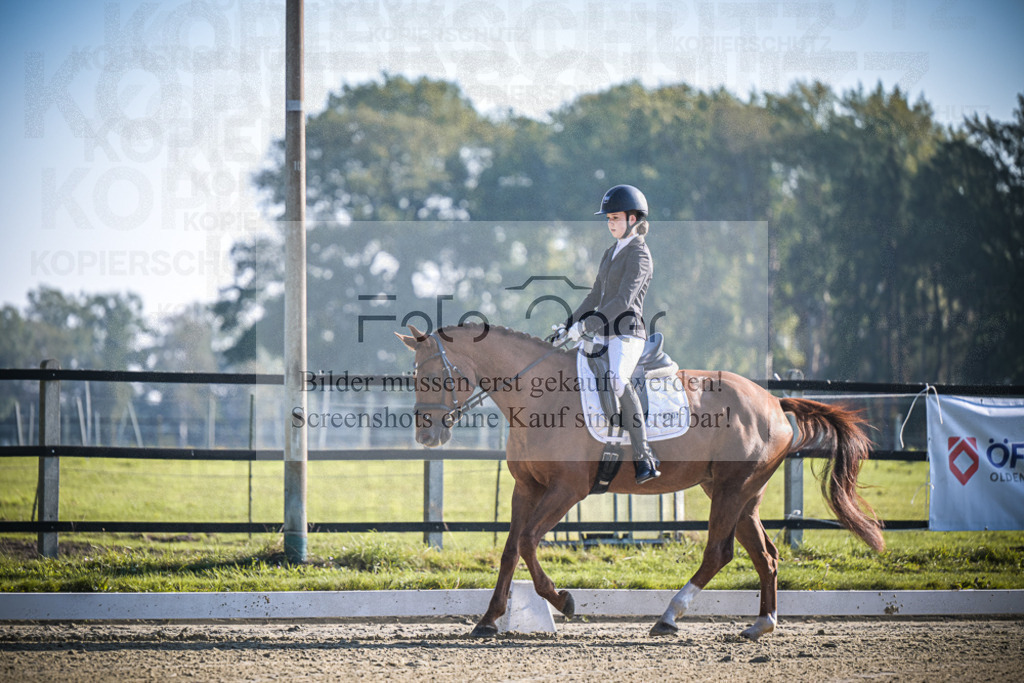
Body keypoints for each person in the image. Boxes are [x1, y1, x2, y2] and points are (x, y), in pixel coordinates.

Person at [554, 184, 661, 484]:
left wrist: (586, 327)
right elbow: (595, 296)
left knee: (616, 380)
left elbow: (622, 302)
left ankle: (644, 456)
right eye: (608, 218)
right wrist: (568, 324)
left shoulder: (640, 255)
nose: (610, 223)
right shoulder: (610, 252)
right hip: (603, 332)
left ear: (633, 219)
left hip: (627, 334)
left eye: (615, 217)